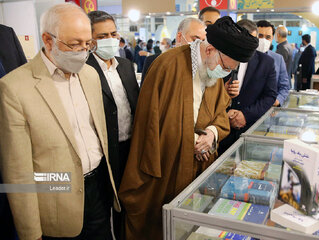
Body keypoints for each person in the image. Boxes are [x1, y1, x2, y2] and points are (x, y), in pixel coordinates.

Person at [118, 16, 258, 240]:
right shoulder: (167, 64)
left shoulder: (213, 70)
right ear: (210, 49)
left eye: (231, 70)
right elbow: (151, 124)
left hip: (198, 168)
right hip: (165, 167)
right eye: (225, 66)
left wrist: (211, 134)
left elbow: (221, 115)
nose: (224, 72)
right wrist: (190, 141)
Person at [0, 3, 120, 240]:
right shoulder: (14, 88)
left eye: (88, 44)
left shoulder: (90, 74)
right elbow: (18, 175)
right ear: (48, 40)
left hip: (98, 190)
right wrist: (30, 234)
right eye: (74, 44)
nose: (83, 52)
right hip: (56, 200)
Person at [86, 10, 139, 240]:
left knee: (128, 204)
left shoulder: (126, 65)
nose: (110, 39)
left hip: (130, 147)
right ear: (90, 41)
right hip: (104, 153)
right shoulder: (84, 69)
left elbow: (135, 103)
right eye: (102, 36)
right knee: (105, 206)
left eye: (113, 33)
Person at [218, 19, 277, 155]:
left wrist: (245, 115)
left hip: (249, 130)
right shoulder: (219, 57)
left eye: (254, 40)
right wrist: (223, 113)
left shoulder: (266, 63)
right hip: (220, 128)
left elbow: (270, 96)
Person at [141, 18, 206, 86]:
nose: (199, 44)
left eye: (203, 41)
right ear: (179, 36)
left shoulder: (204, 66)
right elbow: (146, 94)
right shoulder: (155, 62)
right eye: (195, 40)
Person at [256, 20, 289, 106]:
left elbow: (284, 86)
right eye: (260, 36)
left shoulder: (278, 59)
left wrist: (278, 100)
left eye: (267, 37)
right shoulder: (246, 58)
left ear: (272, 38)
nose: (263, 40)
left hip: (270, 109)